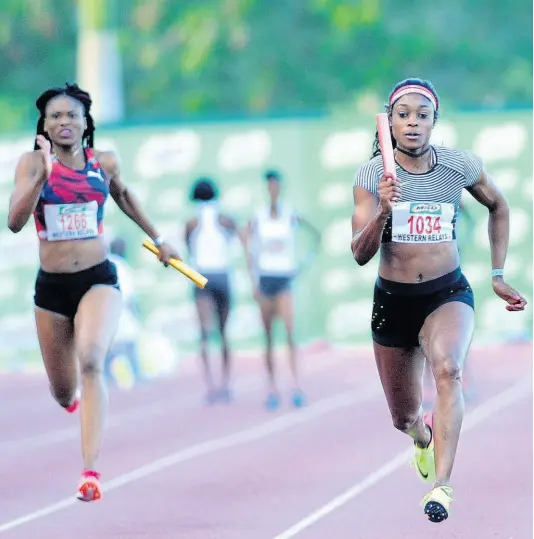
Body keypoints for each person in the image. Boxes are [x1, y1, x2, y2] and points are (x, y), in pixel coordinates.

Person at [350, 78, 526, 523]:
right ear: (389, 122)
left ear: (434, 121)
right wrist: (383, 214)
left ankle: (442, 486)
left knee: (449, 370)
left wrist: (498, 273)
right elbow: (358, 253)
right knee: (403, 417)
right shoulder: (372, 176)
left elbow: (499, 206)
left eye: (421, 115)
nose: (412, 123)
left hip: (446, 292)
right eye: (403, 114)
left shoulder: (459, 166)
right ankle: (422, 439)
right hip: (394, 300)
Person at [7, 83, 180, 502]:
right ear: (44, 126)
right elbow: (14, 221)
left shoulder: (103, 162)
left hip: (97, 277)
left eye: (71, 115)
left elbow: (123, 195)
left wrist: (159, 238)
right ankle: (74, 404)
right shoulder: (31, 164)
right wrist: (43, 176)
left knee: (91, 358)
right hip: (51, 288)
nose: (64, 122)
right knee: (63, 392)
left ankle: (90, 472)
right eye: (55, 116)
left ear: (86, 123)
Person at [244, 170, 320, 411]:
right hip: (266, 279)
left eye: (276, 186)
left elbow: (315, 235)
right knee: (268, 337)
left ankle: (296, 386)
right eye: (270, 186)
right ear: (266, 189)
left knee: (289, 333)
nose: (273, 190)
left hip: (285, 279)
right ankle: (272, 388)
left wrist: (302, 265)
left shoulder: (289, 215)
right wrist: (253, 280)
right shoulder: (259, 216)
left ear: (280, 187)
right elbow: (248, 246)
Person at [184, 177, 242, 404]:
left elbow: (189, 248)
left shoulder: (193, 223)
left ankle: (211, 385)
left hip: (202, 277)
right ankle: (224, 384)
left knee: (206, 333)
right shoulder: (223, 220)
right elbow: (236, 234)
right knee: (222, 332)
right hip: (221, 275)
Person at [104, 237, 145, 388]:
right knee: (129, 345)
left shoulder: (106, 264)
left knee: (109, 347)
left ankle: (106, 377)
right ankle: (137, 374)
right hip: (121, 312)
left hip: (105, 313)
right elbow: (129, 296)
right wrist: (136, 314)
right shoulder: (121, 266)